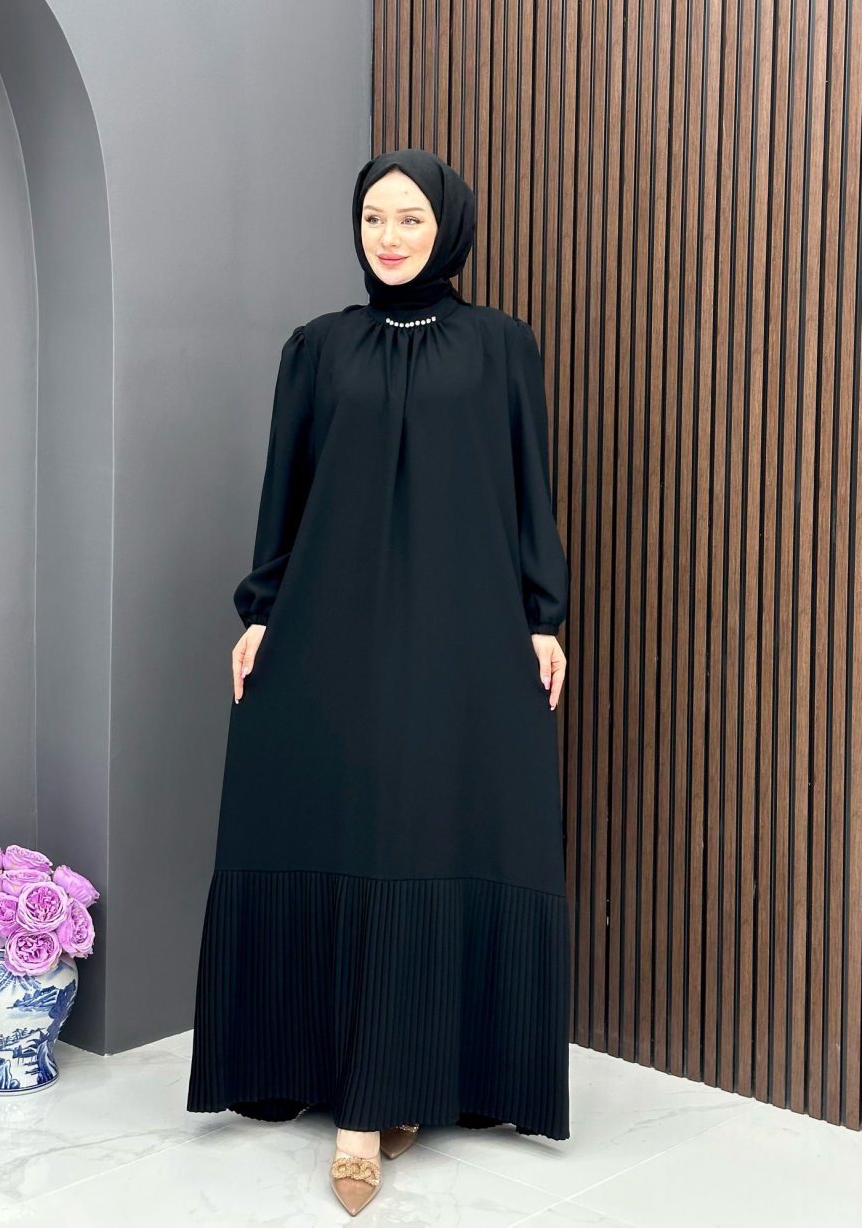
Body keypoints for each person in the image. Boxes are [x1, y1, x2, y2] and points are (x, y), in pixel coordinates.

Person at [186, 147, 571, 1216]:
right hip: (330, 627)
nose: (389, 236)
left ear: (447, 226)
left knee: (431, 832)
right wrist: (260, 610)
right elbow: (287, 488)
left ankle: (393, 1088)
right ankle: (364, 1094)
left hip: (463, 628)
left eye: (409, 218)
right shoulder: (317, 347)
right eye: (372, 218)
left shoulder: (501, 345)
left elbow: (526, 484)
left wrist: (543, 617)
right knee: (347, 825)